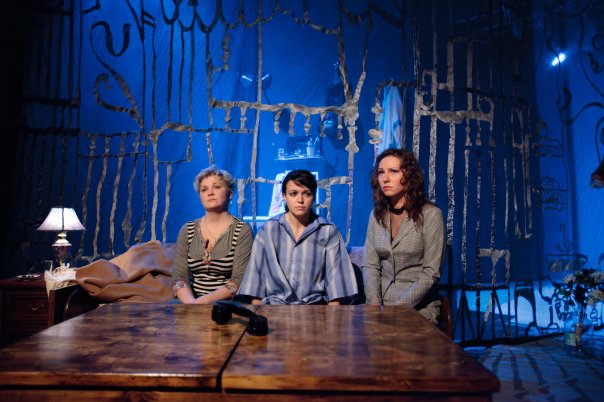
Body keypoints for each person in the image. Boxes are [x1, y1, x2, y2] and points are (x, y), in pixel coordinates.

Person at [238, 169, 358, 305]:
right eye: (293, 194)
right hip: (274, 309)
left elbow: (336, 286)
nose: (300, 200)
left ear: (314, 196)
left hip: (314, 309)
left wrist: (330, 317)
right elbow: (255, 284)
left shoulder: (327, 231)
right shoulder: (268, 230)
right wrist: (259, 315)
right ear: (284, 196)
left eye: (307, 194)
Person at [363, 148, 445, 323]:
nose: (385, 178)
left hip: (418, 307)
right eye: (381, 172)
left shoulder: (431, 215)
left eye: (393, 171)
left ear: (409, 175)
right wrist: (375, 306)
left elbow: (430, 273)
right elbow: (370, 265)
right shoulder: (376, 216)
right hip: (380, 305)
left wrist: (397, 310)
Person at [172, 166, 253, 304]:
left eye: (217, 187)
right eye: (204, 189)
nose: (210, 193)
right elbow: (179, 277)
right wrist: (191, 304)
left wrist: (199, 304)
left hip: (227, 304)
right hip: (190, 301)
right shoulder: (187, 230)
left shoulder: (242, 230)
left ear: (230, 194)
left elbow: (238, 281)